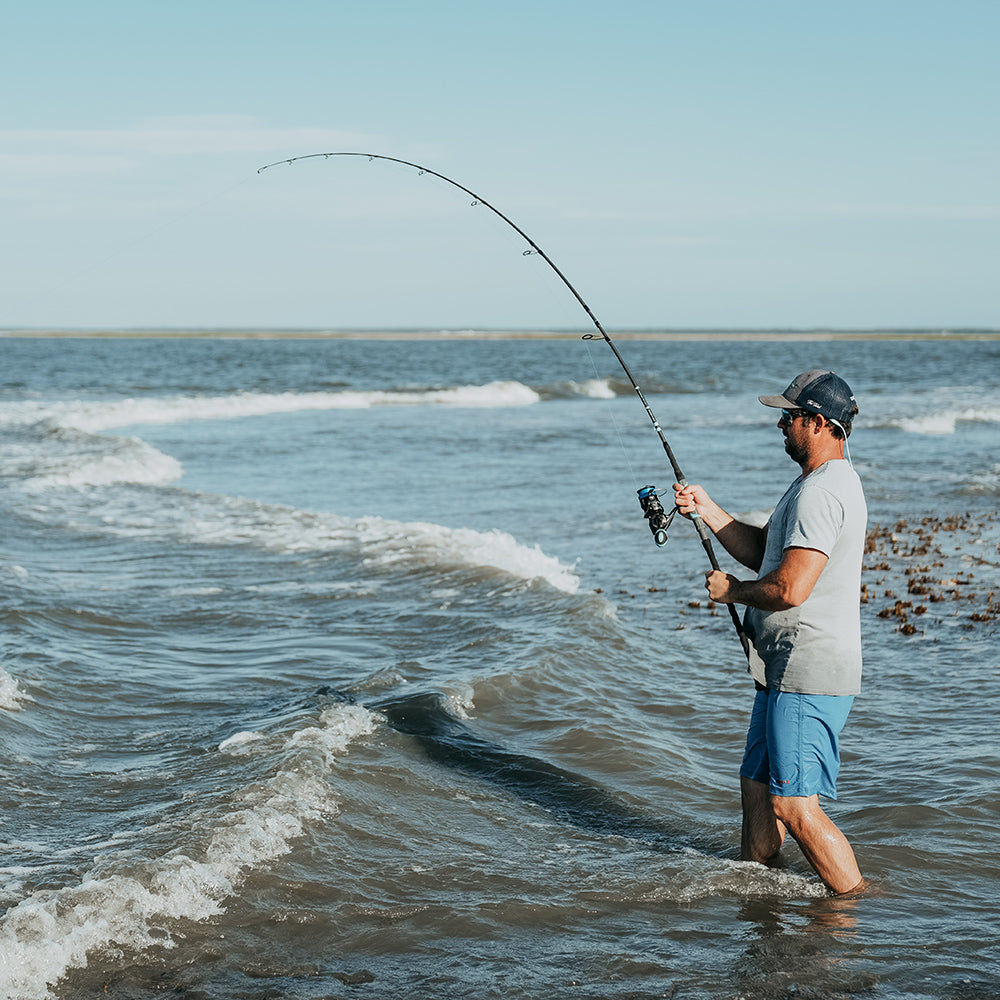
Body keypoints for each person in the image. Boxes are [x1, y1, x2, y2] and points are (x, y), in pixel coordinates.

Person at [673, 370, 867, 895]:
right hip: (782, 667)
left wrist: (732, 592)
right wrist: (708, 510)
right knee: (757, 788)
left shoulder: (822, 494)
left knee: (794, 804)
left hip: (808, 667)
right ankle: (760, 904)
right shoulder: (814, 484)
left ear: (821, 424)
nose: (781, 424)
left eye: (790, 415)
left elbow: (789, 588)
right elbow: (768, 554)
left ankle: (856, 912)